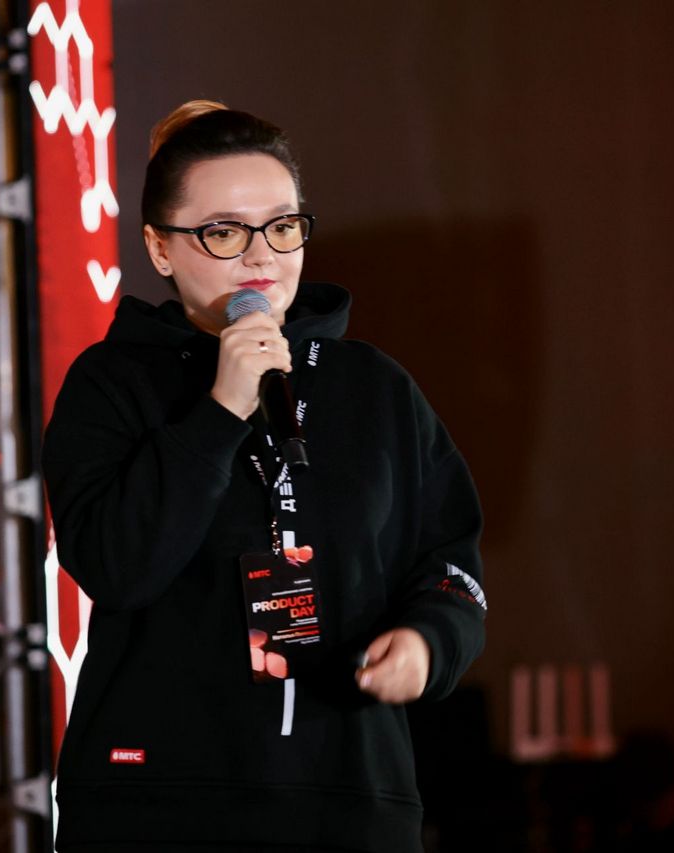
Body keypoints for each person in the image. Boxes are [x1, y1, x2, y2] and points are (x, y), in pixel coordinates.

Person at [41, 100, 487, 852]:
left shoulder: (373, 388)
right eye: (224, 232)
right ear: (158, 247)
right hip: (160, 807)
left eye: (282, 227)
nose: (262, 257)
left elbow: (451, 562)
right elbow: (117, 565)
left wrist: (428, 641)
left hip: (347, 801)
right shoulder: (111, 384)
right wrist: (220, 411)